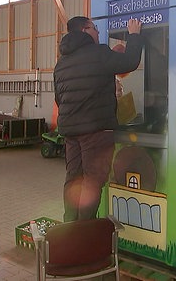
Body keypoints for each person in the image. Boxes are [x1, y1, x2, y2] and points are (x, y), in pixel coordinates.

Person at [54, 16, 144, 222]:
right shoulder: (99, 53)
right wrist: (134, 36)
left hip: (70, 132)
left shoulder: (62, 63)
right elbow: (130, 61)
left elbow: (60, 99)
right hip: (96, 131)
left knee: (73, 178)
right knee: (93, 181)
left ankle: (70, 226)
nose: (98, 32)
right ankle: (85, 232)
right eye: (95, 28)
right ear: (85, 30)